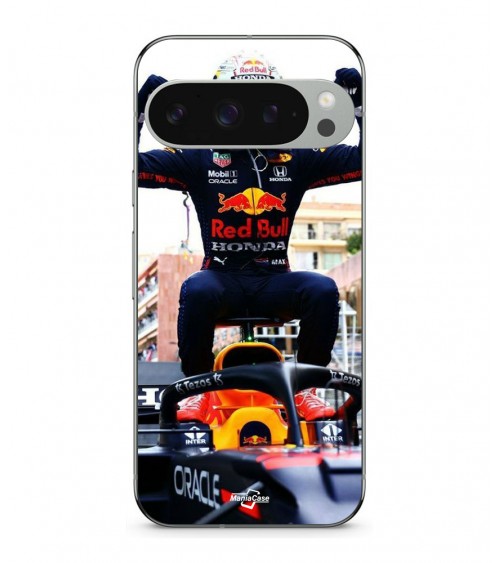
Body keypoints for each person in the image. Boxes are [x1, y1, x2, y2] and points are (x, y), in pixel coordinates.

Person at [137, 55, 362, 422]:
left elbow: (364, 160)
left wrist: (360, 109)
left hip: (275, 280)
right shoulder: (199, 157)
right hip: (221, 280)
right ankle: (198, 390)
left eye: (266, 103)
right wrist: (139, 115)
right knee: (197, 288)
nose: (251, 113)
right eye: (235, 104)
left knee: (322, 289)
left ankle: (304, 390)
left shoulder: (296, 156)